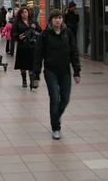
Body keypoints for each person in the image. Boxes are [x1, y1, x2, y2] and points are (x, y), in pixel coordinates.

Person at [33, 9, 81, 140]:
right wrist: (35, 76)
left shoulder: (68, 33)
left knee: (65, 98)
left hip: (65, 71)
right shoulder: (44, 35)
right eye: (55, 18)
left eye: (59, 18)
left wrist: (77, 71)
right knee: (55, 99)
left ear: (62, 19)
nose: (57, 20)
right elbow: (38, 56)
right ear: (51, 20)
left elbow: (74, 52)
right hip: (50, 71)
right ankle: (56, 127)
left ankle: (55, 115)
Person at [12, 7, 42, 89]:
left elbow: (40, 31)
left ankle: (32, 81)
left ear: (28, 13)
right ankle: (24, 80)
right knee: (23, 65)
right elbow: (13, 33)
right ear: (20, 14)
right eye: (22, 13)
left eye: (25, 12)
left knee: (31, 64)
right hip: (22, 46)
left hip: (32, 46)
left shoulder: (33, 22)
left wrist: (35, 27)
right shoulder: (17, 23)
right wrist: (18, 37)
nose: (24, 14)